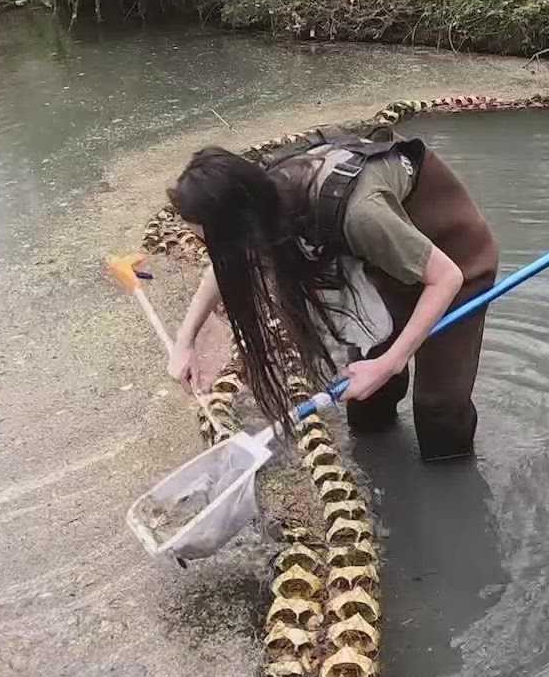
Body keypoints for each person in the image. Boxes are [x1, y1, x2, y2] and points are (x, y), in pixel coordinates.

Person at [164, 124, 500, 462]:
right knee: (367, 402)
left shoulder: (359, 214)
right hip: (384, 268)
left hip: (455, 265)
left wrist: (389, 362)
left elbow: (446, 279)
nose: (220, 251)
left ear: (242, 222)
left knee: (438, 409)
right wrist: (185, 341)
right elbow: (227, 264)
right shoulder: (260, 200)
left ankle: (449, 486)